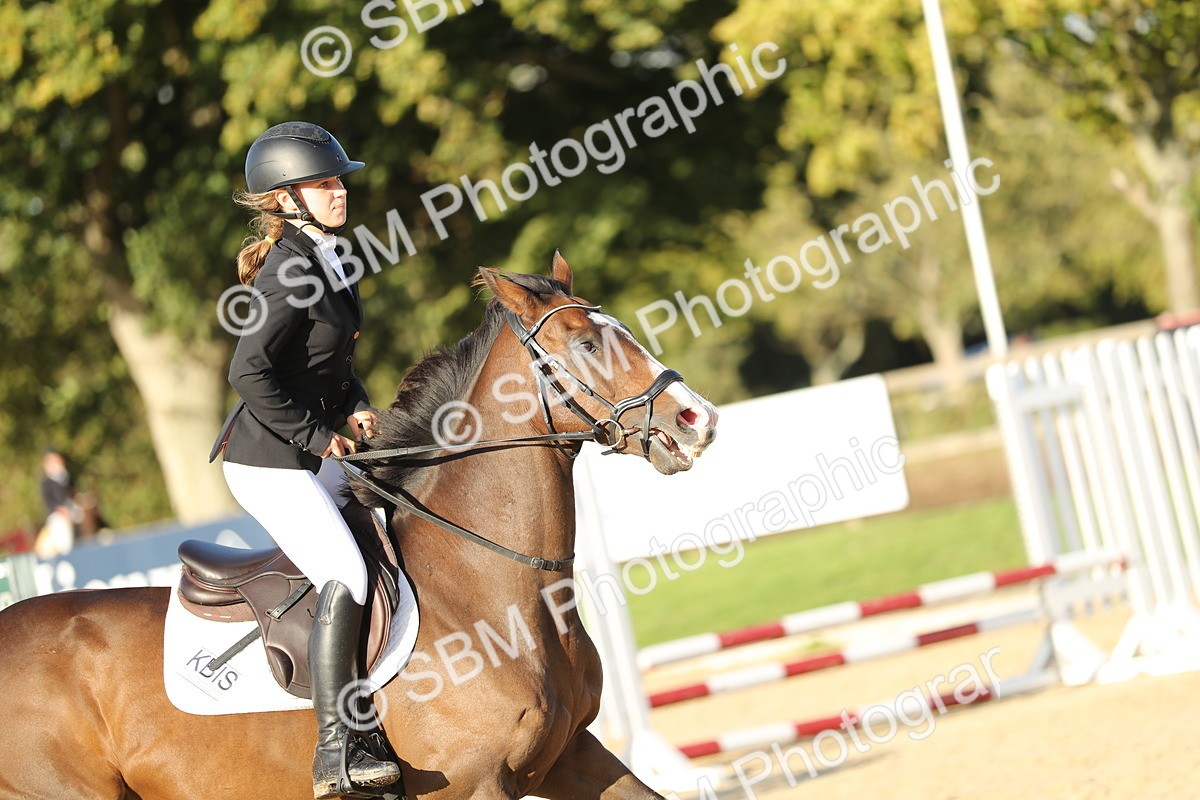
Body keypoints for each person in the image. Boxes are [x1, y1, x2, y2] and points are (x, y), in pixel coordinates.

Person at [209, 121, 401, 797]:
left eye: (338, 180)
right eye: (323, 184)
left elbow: (327, 361)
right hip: (267, 462)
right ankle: (336, 746)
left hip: (304, 449)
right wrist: (320, 438)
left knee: (388, 523)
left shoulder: (328, 255)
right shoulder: (288, 272)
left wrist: (356, 404)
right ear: (286, 198)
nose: (339, 191)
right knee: (345, 570)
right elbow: (248, 373)